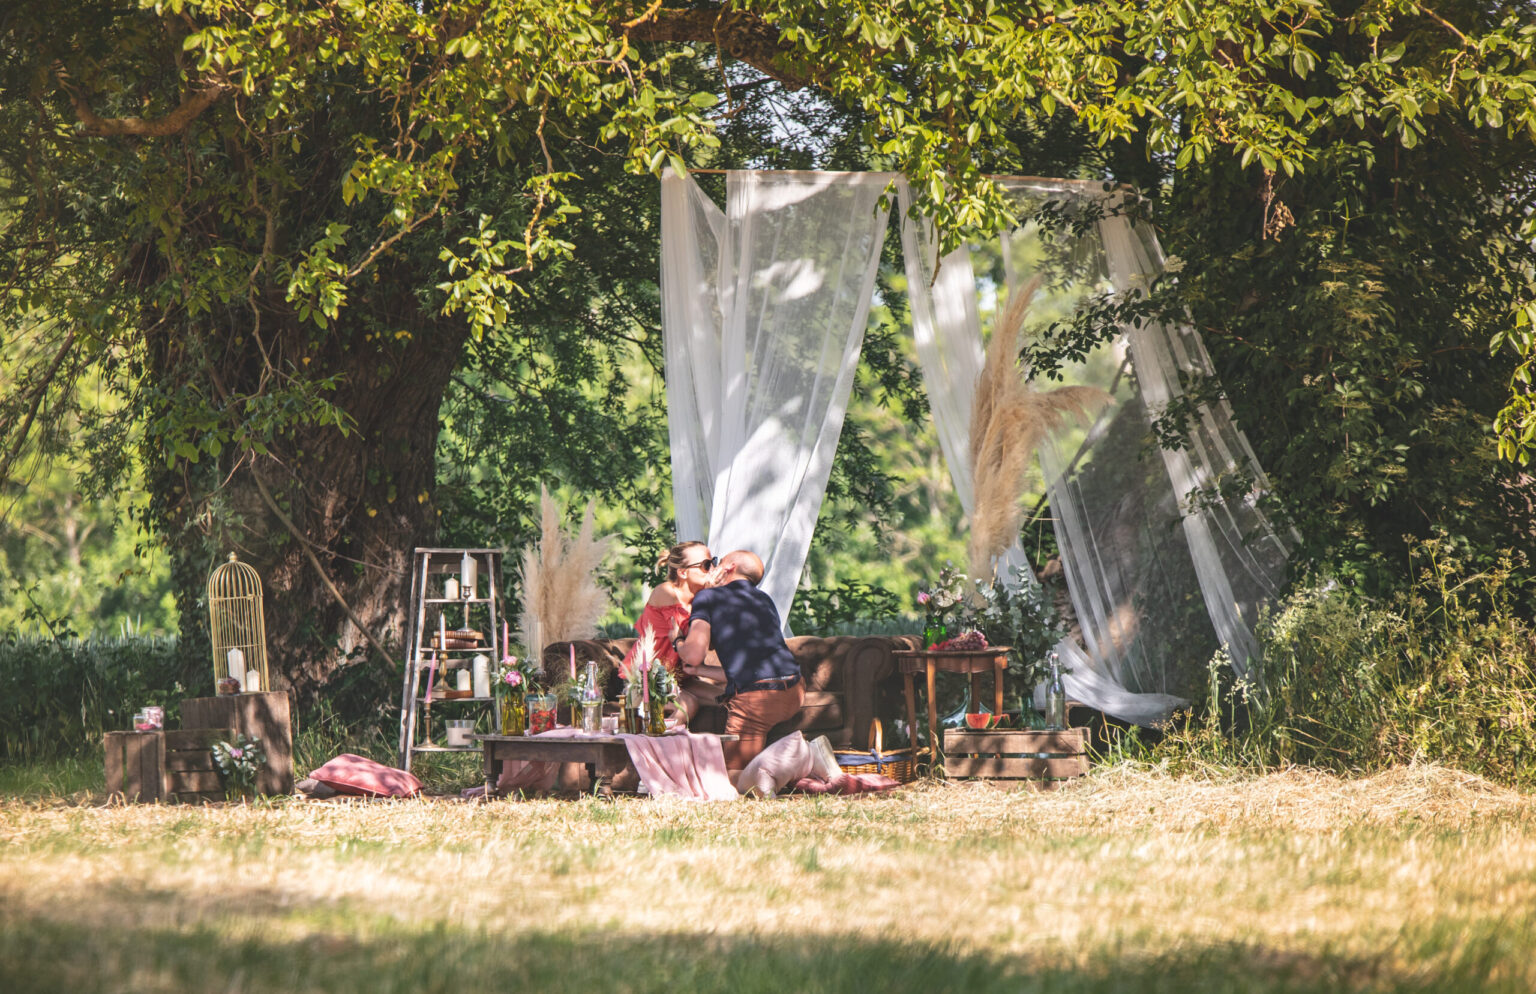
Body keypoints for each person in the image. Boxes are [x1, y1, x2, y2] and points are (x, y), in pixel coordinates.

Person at [675, 550, 803, 773]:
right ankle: (801, 760)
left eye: (716, 562)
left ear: (728, 568)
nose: (712, 567)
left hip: (758, 699)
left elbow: (693, 654)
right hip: (794, 690)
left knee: (734, 777)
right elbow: (750, 669)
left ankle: (811, 761)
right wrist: (700, 670)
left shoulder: (708, 598)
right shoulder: (764, 599)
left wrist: (676, 640)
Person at [619, 541, 722, 720]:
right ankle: (662, 738)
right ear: (683, 573)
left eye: (713, 562)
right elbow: (690, 638)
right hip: (647, 679)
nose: (712, 569)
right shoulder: (666, 592)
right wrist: (712, 596)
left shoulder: (701, 599)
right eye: (706, 565)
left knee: (725, 699)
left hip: (681, 679)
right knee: (688, 704)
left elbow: (710, 643)